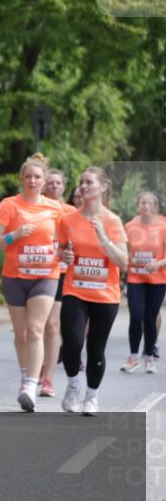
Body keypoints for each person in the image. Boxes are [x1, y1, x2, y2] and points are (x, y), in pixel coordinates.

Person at [0, 154, 64, 412]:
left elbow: (69, 237)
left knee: (35, 330)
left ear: (44, 181)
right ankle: (25, 375)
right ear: (21, 179)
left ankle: (32, 384)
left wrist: (67, 252)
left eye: (37, 177)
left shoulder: (56, 209)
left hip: (45, 276)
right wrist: (15, 235)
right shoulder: (9, 205)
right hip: (15, 277)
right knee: (20, 335)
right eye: (28, 176)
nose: (32, 180)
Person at [58, 167, 128, 415]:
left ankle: (92, 396)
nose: (84, 186)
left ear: (102, 187)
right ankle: (73, 385)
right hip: (75, 289)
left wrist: (104, 239)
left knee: (96, 348)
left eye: (89, 182)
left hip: (105, 294)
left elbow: (123, 261)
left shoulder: (112, 221)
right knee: (72, 342)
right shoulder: (68, 220)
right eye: (82, 182)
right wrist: (64, 255)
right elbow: (61, 251)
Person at [37, 169, 75, 397]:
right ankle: (37, 368)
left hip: (61, 273)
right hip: (38, 273)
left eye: (57, 183)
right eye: (49, 183)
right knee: (37, 327)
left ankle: (48, 378)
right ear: (44, 187)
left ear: (63, 187)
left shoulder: (70, 212)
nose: (53, 186)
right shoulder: (35, 209)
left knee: (52, 325)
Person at [122, 191, 165, 374]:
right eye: (143, 203)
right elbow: (124, 252)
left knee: (150, 317)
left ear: (155, 206)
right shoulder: (130, 226)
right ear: (137, 206)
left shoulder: (163, 226)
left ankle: (148, 356)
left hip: (158, 279)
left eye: (150, 203)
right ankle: (132, 357)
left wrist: (159, 264)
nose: (146, 206)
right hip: (135, 278)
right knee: (136, 315)